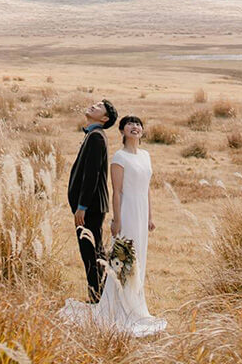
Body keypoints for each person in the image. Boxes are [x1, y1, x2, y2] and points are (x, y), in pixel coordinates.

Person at [60, 114, 167, 337]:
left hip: (142, 211)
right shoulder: (119, 157)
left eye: (138, 124)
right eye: (130, 124)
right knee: (125, 258)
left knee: (140, 257)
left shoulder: (146, 156)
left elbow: (147, 188)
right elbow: (116, 191)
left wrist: (150, 215)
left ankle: (136, 303)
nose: (135, 127)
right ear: (122, 131)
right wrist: (117, 219)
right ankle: (120, 305)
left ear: (142, 131)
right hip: (127, 211)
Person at [67, 99, 116, 302]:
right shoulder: (93, 135)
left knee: (92, 254)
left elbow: (92, 175)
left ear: (104, 119)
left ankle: (98, 299)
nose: (93, 106)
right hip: (90, 207)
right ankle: (100, 297)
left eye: (99, 107)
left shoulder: (96, 137)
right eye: (94, 104)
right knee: (93, 252)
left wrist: (82, 207)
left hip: (91, 207)